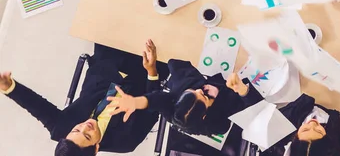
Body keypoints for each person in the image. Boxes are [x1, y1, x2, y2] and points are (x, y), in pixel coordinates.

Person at [0, 40, 168, 155]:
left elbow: (35, 105)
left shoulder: (61, 128)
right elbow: (154, 106)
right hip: (145, 71)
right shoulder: (125, 141)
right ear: (95, 149)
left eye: (76, 130)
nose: (85, 127)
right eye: (87, 135)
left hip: (107, 62)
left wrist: (9, 87)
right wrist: (152, 72)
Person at [107, 58, 262, 136]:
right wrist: (242, 89)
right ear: (204, 115)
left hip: (213, 68)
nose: (202, 90)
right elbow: (255, 112)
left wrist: (135, 102)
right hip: (250, 79)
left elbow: (155, 100)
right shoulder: (218, 122)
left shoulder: (179, 91)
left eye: (195, 92)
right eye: (205, 96)